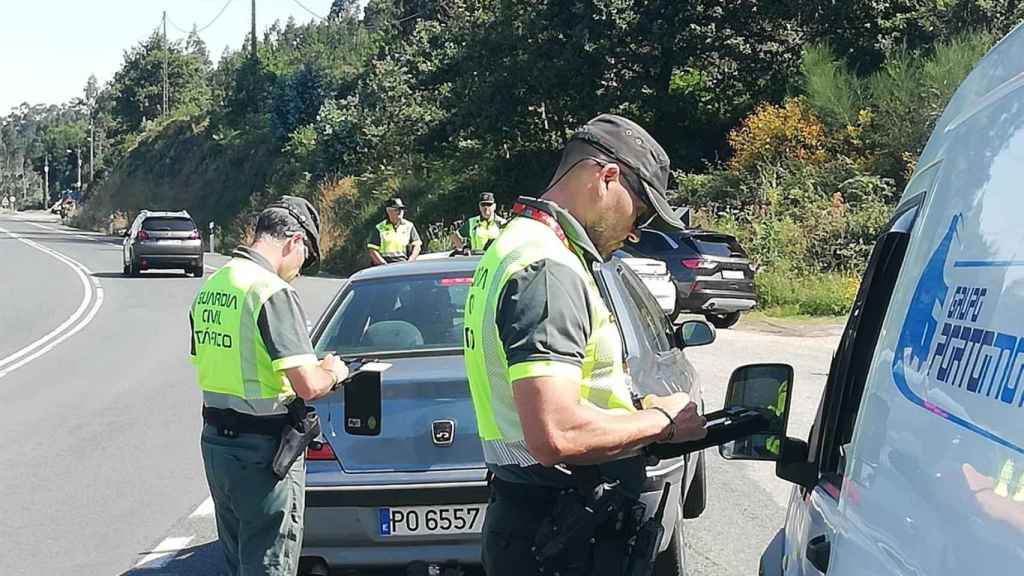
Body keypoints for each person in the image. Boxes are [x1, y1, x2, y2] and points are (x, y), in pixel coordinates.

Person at [462, 114, 707, 576]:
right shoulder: (548, 268)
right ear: (607, 177)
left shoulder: (513, 243)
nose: (636, 231)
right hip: (565, 531)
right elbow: (557, 432)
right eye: (641, 210)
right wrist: (662, 420)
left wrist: (629, 411)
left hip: (536, 519)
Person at [190, 196, 350, 575]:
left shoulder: (215, 284)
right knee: (269, 564)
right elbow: (309, 385)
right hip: (264, 455)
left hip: (217, 446)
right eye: (304, 258)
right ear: (293, 241)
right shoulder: (271, 291)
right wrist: (334, 371)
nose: (298, 270)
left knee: (239, 561)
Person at [367, 197, 422, 265]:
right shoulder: (380, 228)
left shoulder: (409, 226)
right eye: (396, 210)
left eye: (401, 209)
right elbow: (372, 250)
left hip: (403, 263)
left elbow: (417, 246)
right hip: (385, 264)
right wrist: (383, 264)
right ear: (388, 211)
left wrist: (410, 261)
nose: (400, 212)